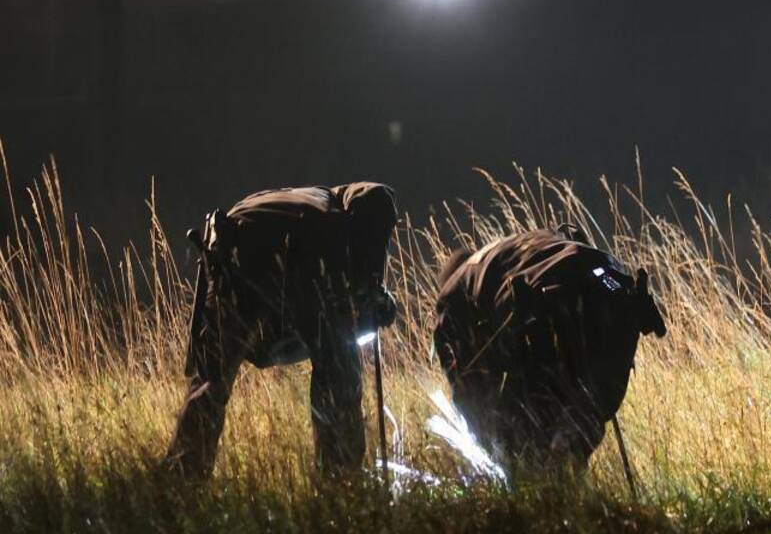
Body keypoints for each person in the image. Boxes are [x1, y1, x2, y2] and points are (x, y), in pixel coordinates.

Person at [165, 182, 399, 478]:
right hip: (297, 252)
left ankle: (180, 479)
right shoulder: (344, 216)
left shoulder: (308, 200)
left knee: (212, 380)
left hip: (231, 249)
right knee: (338, 368)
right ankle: (341, 483)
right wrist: (372, 298)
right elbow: (345, 320)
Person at [433, 226, 666, 471]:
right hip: (611, 283)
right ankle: (571, 483)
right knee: (591, 404)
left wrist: (491, 447)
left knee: (540, 425)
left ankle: (552, 488)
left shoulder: (454, 292)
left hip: (547, 298)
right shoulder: (511, 252)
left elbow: (467, 389)